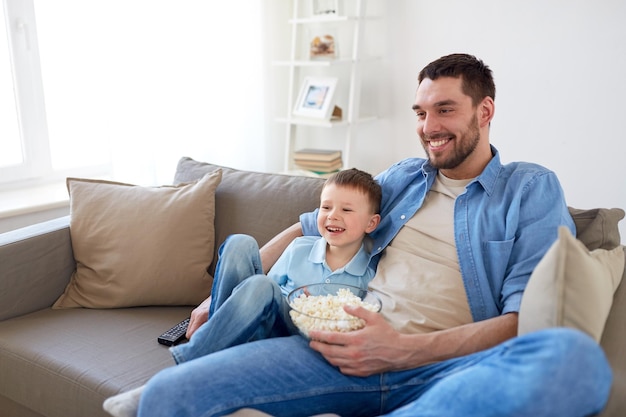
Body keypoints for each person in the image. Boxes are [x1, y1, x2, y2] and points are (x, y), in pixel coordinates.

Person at [136, 53, 612, 417]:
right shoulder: (404, 177)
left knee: (572, 358)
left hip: (444, 366)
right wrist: (214, 300)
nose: (429, 128)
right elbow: (309, 225)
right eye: (421, 113)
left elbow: (524, 319)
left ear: (485, 111)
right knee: (163, 393)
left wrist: (404, 350)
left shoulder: (529, 189)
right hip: (341, 349)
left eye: (444, 110)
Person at [171, 167, 382, 363]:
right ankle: (219, 333)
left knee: (261, 285)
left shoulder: (368, 275)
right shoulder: (299, 247)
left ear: (371, 223)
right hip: (262, 319)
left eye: (346, 210)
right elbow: (263, 291)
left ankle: (193, 355)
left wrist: (307, 307)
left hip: (292, 335)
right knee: (240, 243)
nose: (333, 215)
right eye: (326, 207)